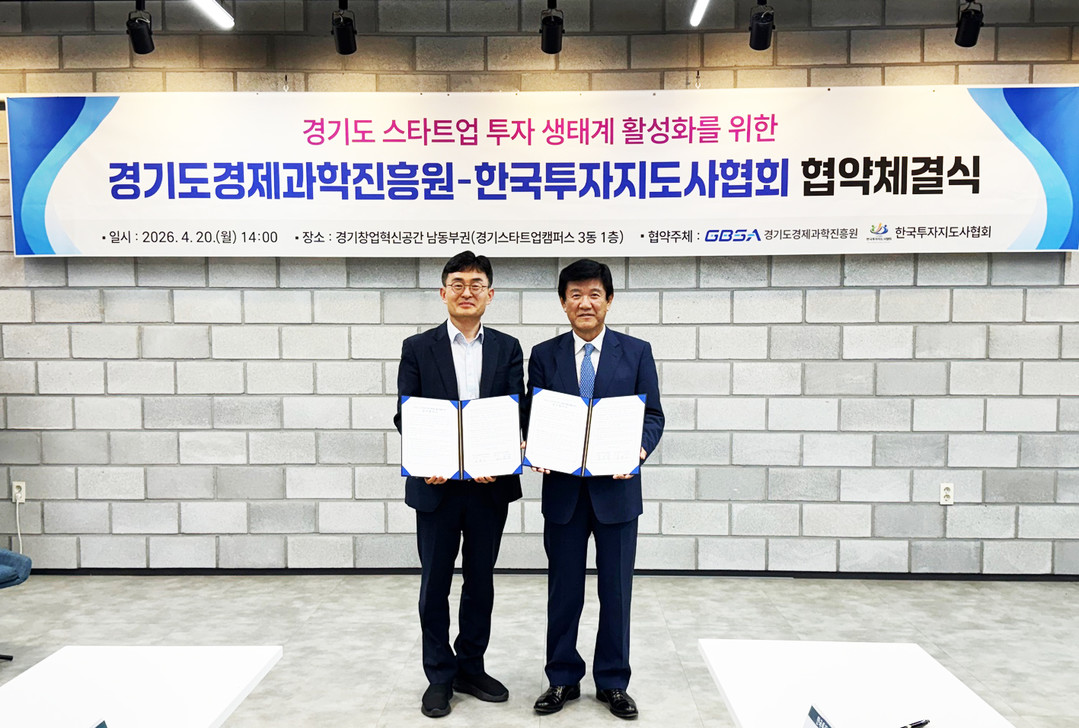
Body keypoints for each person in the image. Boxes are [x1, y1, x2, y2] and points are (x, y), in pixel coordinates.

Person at [526, 259, 664, 720]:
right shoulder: (544, 355)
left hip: (617, 493)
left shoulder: (637, 352)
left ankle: (613, 681)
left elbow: (653, 415)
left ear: (609, 300)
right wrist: (533, 444)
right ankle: (562, 677)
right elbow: (534, 413)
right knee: (563, 591)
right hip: (563, 494)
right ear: (563, 302)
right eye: (575, 295)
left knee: (616, 592)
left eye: (594, 294)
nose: (585, 303)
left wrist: (639, 451)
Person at [393, 251, 524, 719]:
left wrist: (501, 455)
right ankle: (439, 675)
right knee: (435, 583)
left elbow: (516, 410)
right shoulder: (417, 347)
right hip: (436, 485)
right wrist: (428, 456)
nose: (467, 292)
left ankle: (471, 666)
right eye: (458, 283)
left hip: (489, 487)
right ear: (443, 292)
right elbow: (405, 413)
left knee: (480, 581)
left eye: (476, 284)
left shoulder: (508, 348)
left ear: (490, 294)